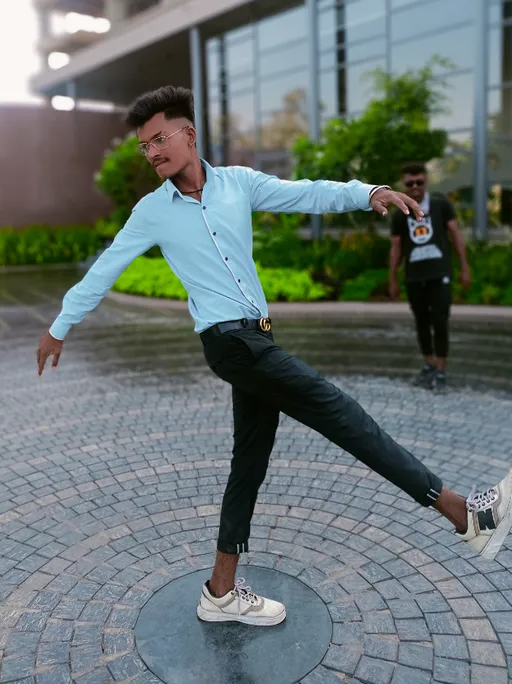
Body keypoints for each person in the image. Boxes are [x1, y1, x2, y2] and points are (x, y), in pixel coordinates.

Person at [37, 87, 510, 628]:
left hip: (257, 339)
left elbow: (305, 193)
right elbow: (104, 269)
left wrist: (367, 191)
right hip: (231, 344)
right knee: (341, 413)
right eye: (145, 147)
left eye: (160, 139)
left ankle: (219, 592)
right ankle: (463, 514)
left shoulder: (238, 184)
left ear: (189, 135)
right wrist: (59, 327)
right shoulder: (151, 212)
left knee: (249, 464)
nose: (153, 153)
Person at [389, 163, 472, 392]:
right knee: (421, 322)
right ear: (403, 185)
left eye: (419, 182)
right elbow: (396, 247)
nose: (415, 187)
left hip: (439, 273)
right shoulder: (399, 214)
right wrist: (393, 278)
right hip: (415, 276)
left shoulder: (440, 205)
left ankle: (441, 370)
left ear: (426, 181)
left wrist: (464, 266)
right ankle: (429, 365)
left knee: (440, 320)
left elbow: (455, 233)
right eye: (409, 183)